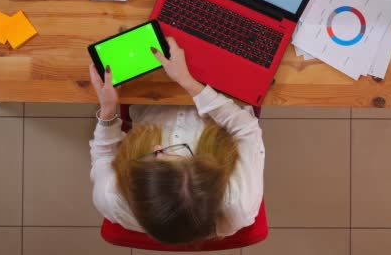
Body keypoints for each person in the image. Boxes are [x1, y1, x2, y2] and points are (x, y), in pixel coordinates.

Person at [88, 36, 265, 245]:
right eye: (171, 152)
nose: (156, 146)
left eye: (153, 156)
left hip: (151, 90)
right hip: (223, 92)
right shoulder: (239, 203)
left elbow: (104, 155)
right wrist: (188, 82)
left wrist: (108, 109)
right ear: (207, 169)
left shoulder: (111, 199)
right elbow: (246, 129)